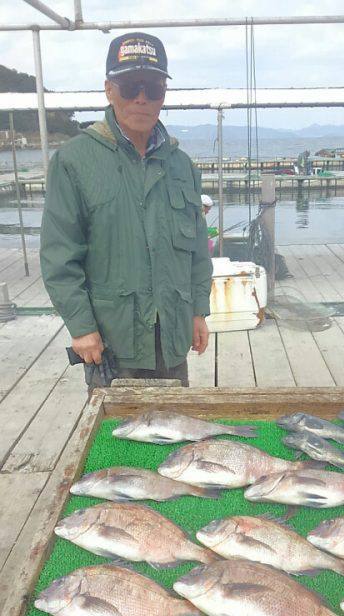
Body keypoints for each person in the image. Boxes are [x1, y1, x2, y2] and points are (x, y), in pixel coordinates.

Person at [40, 32, 213, 392]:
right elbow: (59, 257)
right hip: (111, 343)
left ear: (164, 93)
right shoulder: (74, 161)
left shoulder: (183, 166)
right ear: (108, 89)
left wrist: (198, 310)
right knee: (116, 442)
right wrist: (81, 326)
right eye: (129, 86)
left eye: (153, 87)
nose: (141, 98)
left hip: (172, 341)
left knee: (173, 435)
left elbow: (198, 250)